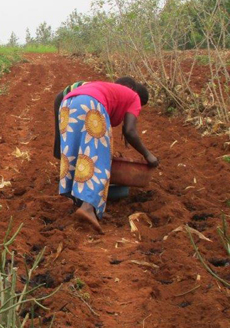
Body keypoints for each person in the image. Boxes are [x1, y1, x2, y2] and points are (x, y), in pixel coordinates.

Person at [57, 78, 159, 233]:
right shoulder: (135, 97)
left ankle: (81, 204)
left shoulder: (112, 90)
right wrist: (148, 155)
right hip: (91, 104)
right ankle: (87, 208)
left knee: (76, 153)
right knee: (99, 158)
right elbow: (130, 131)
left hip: (66, 104)